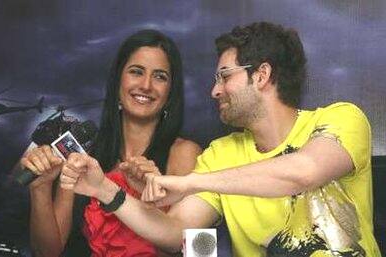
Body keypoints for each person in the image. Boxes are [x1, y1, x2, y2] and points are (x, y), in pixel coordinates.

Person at [60, 22, 382, 257]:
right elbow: (175, 234)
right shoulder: (221, 153)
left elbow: (304, 172)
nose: (215, 90)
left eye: (224, 77)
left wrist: (191, 182)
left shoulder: (341, 119)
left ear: (261, 75)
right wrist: (105, 189)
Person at [21, 30, 202, 257]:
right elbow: (47, 253)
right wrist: (40, 188)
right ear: (118, 82)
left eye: (160, 76)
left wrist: (155, 200)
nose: (146, 85)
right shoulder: (83, 154)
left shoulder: (185, 153)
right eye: (136, 72)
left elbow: (202, 250)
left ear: (170, 93)